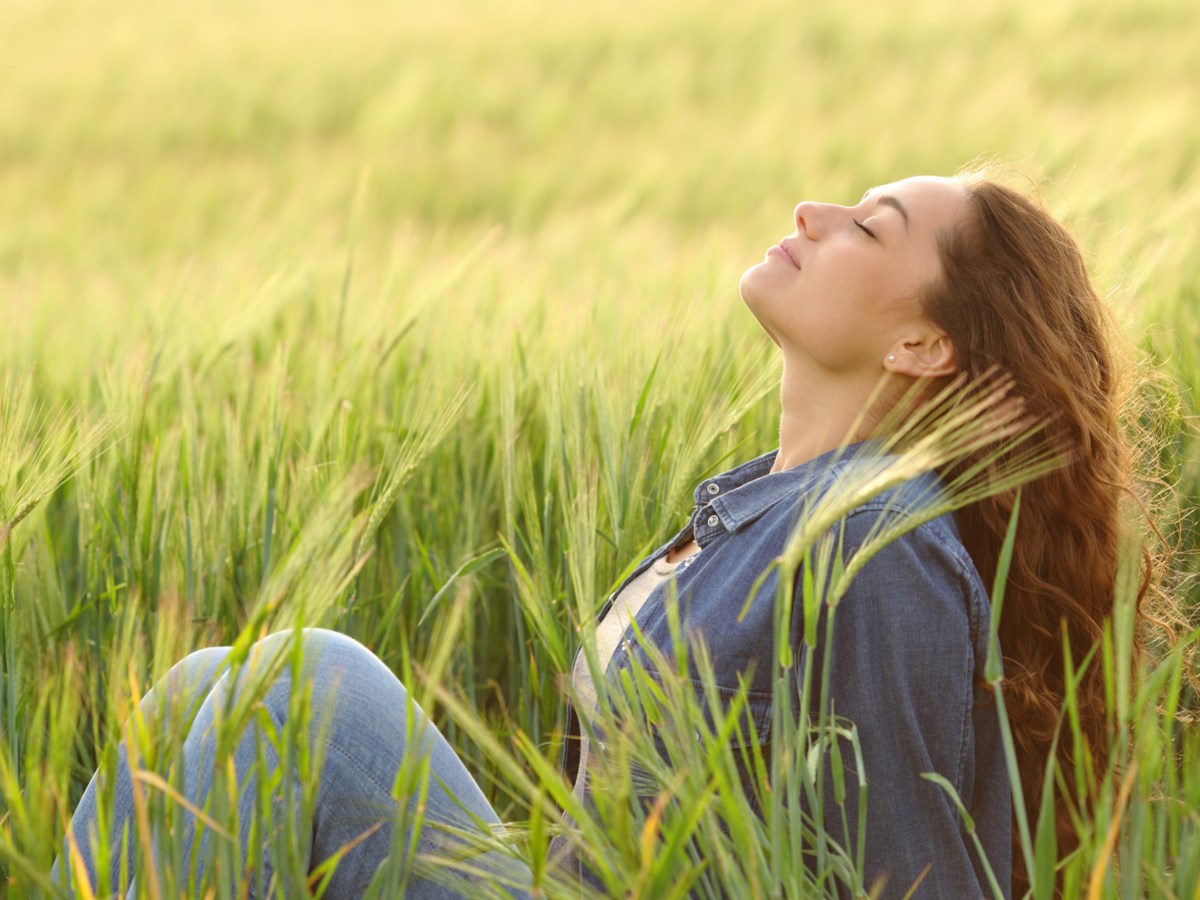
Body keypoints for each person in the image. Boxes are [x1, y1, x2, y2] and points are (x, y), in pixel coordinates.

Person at [56, 170, 1152, 898]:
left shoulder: (878, 543)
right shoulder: (765, 508)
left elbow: (906, 869)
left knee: (303, 687)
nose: (816, 210)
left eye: (869, 226)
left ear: (922, 343)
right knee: (211, 682)